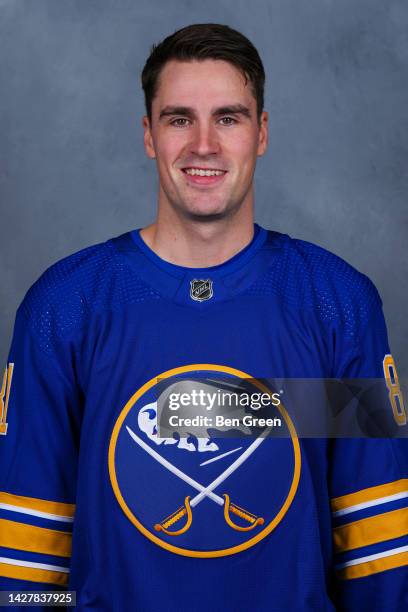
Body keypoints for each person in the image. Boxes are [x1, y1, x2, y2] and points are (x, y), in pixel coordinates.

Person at [0, 23, 407, 611]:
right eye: (179, 118)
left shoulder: (337, 303)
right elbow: (24, 556)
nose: (204, 146)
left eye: (229, 118)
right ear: (149, 135)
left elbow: (380, 543)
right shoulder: (64, 307)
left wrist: (248, 410)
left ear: (261, 133)